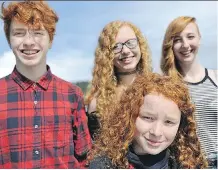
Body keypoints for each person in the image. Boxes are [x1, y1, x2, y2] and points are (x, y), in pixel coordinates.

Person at [0, 1, 91, 168]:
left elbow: (85, 159)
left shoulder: (73, 94)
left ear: (50, 40)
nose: (28, 42)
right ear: (9, 40)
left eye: (37, 33)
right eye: (19, 33)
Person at [88, 74, 208, 169]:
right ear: (129, 117)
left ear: (181, 126)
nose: (156, 132)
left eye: (169, 122)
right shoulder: (104, 164)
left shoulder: (189, 164)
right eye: (148, 118)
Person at [160, 16, 217, 168]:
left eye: (190, 37)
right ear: (170, 45)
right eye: (177, 39)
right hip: (189, 164)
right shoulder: (167, 85)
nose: (185, 45)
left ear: (199, 39)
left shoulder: (216, 78)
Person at [85, 20, 152, 139]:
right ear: (106, 54)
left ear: (140, 45)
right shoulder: (99, 102)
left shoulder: (157, 89)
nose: (125, 51)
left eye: (131, 43)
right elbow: (97, 149)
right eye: (116, 47)